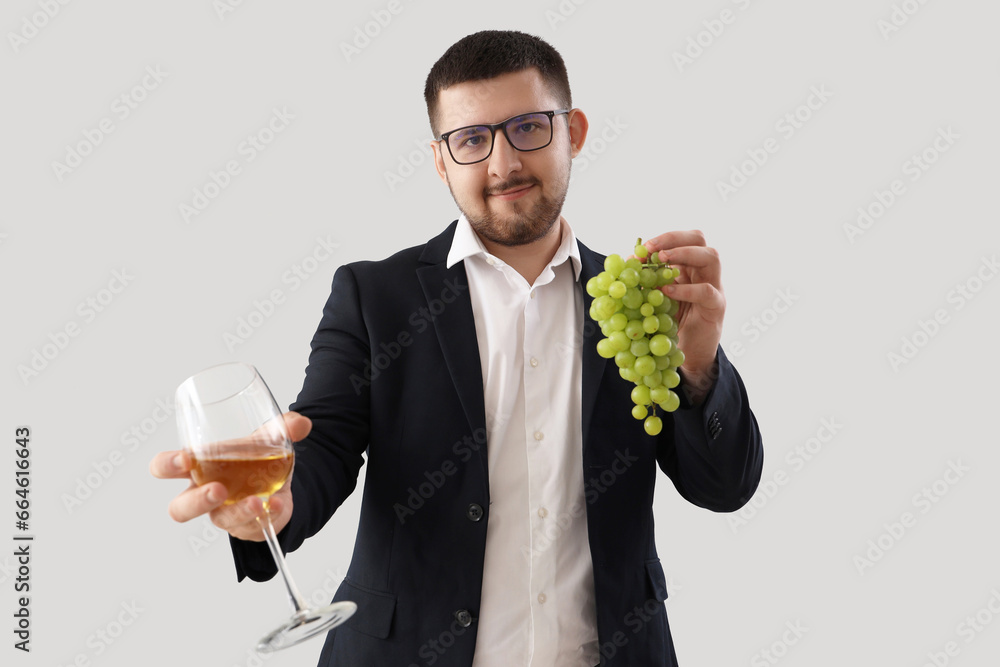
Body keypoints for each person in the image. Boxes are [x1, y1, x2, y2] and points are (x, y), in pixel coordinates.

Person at [152, 30, 763, 667]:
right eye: (471, 140)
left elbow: (725, 488)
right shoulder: (373, 295)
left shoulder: (638, 306)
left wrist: (699, 366)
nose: (503, 165)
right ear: (442, 161)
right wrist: (275, 509)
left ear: (573, 131)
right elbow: (324, 440)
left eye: (528, 127)